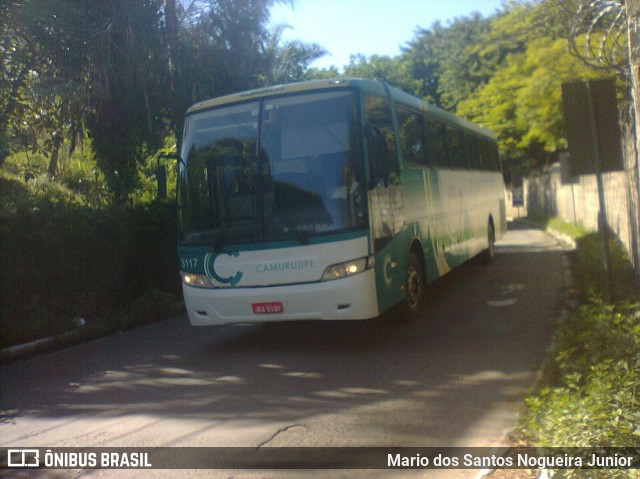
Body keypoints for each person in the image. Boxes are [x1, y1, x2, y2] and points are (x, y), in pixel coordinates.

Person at [331, 162, 363, 226]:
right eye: (343, 174)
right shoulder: (337, 193)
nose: (345, 177)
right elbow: (334, 214)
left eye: (348, 174)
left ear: (352, 175)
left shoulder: (360, 189)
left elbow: (362, 210)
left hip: (359, 227)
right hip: (342, 228)